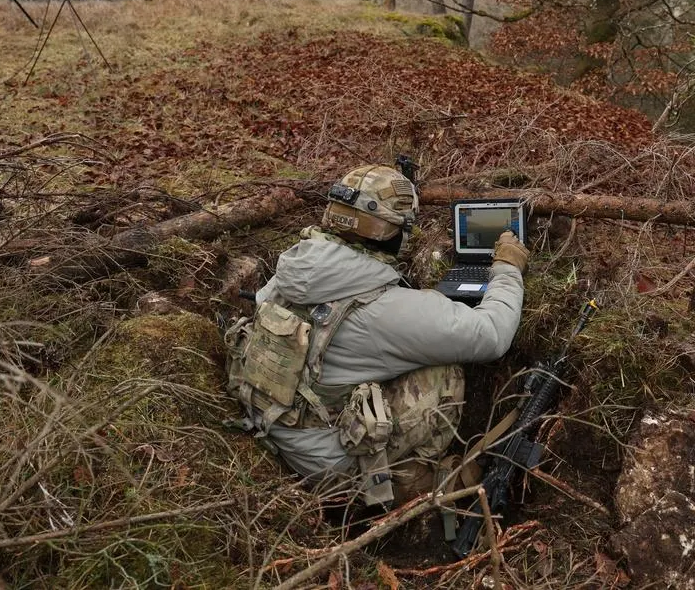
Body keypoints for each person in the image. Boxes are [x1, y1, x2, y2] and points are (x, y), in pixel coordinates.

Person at [225, 164, 528, 508]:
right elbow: (492, 334)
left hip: (274, 426)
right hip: (329, 468)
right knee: (444, 375)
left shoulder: (294, 269)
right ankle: (410, 483)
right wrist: (507, 269)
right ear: (393, 232)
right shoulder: (385, 309)